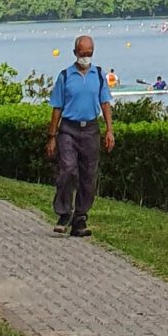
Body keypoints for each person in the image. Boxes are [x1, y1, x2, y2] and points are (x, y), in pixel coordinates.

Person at [47, 35, 113, 237]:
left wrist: (110, 130)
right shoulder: (65, 76)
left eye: (89, 54)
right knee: (68, 170)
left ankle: (80, 217)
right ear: (75, 53)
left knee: (88, 176)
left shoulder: (99, 75)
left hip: (91, 129)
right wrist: (52, 136)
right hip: (68, 128)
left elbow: (105, 104)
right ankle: (64, 212)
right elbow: (57, 108)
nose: (86, 58)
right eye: (82, 54)